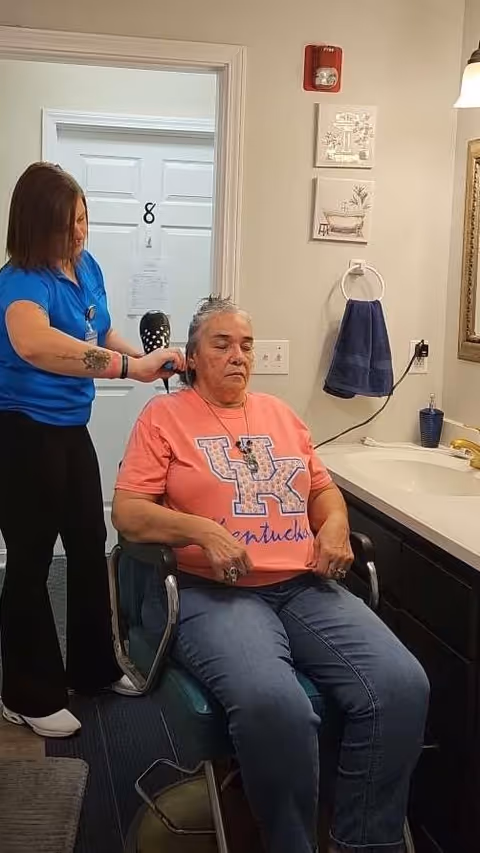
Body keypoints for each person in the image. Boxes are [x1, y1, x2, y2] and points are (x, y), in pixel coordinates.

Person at [112, 296, 429, 853]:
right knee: (274, 704)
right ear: (191, 356)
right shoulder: (164, 418)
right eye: (222, 344)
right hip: (214, 592)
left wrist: (332, 528)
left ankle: (365, 843)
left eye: (247, 345)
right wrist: (203, 531)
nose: (239, 356)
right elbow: (129, 511)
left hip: (304, 586)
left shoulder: (280, 415)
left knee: (403, 685)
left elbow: (322, 491)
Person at [0, 162, 184, 739]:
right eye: (69, 224)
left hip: (69, 428)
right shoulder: (20, 282)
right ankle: (24, 693)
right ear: (37, 226)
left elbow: (97, 332)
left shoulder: (86, 266)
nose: (81, 233)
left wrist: (143, 366)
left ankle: (94, 670)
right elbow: (35, 344)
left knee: (87, 545)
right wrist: (130, 366)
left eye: (84, 219)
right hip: (21, 432)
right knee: (30, 561)